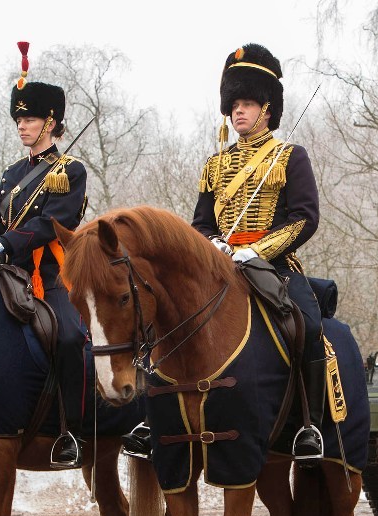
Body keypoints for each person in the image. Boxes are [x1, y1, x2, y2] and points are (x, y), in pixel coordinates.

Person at [121, 43, 326, 460]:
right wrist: (211, 245)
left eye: (247, 104)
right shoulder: (214, 166)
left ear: (267, 109)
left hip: (271, 264)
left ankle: (309, 425)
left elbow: (305, 218)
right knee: (157, 318)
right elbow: (200, 223)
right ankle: (149, 419)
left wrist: (258, 252)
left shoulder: (288, 157)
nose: (238, 113)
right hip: (217, 263)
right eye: (234, 105)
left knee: (308, 323)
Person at [0, 42, 89, 468]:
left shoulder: (69, 170)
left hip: (51, 275)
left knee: (71, 336)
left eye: (30, 118)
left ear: (50, 122)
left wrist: (4, 245)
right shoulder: (12, 174)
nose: (22, 126)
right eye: (19, 118)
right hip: (6, 272)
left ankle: (71, 430)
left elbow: (50, 225)